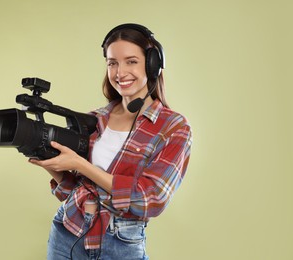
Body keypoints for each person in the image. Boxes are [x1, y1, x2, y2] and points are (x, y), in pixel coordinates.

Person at [28, 23, 192, 260]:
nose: (119, 72)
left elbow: (151, 200)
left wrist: (83, 166)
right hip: (67, 233)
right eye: (112, 63)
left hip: (120, 243)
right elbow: (73, 190)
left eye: (131, 61)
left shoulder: (174, 128)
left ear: (152, 64)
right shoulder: (95, 119)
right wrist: (54, 167)